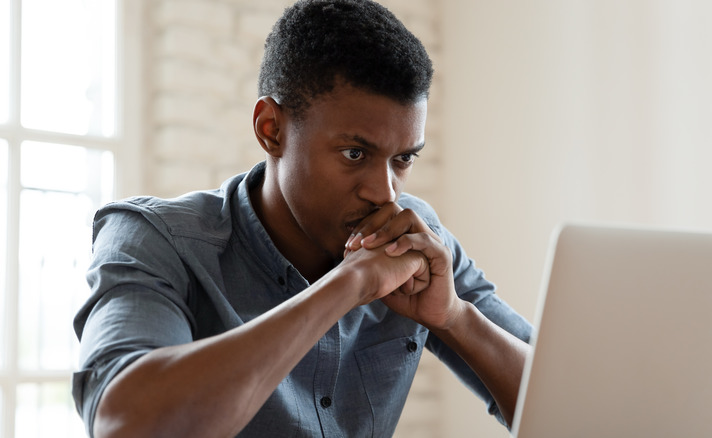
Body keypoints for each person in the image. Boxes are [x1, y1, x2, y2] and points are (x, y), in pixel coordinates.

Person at [72, 0, 534, 436]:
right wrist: (346, 287)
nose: (384, 191)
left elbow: (571, 408)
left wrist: (454, 317)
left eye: (404, 159)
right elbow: (123, 422)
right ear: (270, 129)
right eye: (355, 153)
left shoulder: (416, 240)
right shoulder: (152, 239)